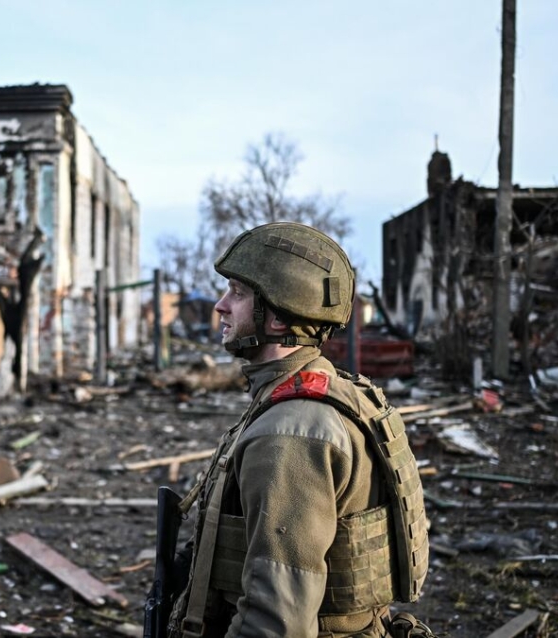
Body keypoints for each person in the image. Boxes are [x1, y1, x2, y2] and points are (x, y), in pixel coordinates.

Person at [164, 222, 432, 638]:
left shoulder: (290, 434)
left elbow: (275, 623)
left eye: (237, 292)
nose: (220, 305)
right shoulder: (320, 395)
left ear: (275, 316)